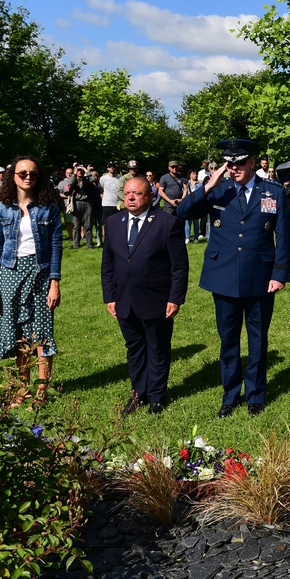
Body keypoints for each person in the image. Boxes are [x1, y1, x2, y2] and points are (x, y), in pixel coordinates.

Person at [176, 137, 290, 418]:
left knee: (257, 340)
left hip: (260, 276)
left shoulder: (272, 192)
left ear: (252, 163)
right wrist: (208, 186)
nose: (234, 168)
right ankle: (229, 395)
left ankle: (255, 395)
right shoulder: (218, 190)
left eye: (240, 163)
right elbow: (182, 212)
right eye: (230, 163)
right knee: (228, 341)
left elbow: (284, 237)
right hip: (224, 276)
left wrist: (279, 274)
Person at [102, 176, 188, 416]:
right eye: (128, 193)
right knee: (135, 349)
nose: (130, 197)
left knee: (158, 348)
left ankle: (157, 397)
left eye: (137, 193)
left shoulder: (167, 223)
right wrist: (110, 296)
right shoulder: (114, 222)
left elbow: (179, 266)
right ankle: (138, 393)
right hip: (124, 300)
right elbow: (107, 264)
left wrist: (175, 298)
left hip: (157, 299)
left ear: (150, 197)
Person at [0, 154, 63, 405]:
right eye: (22, 173)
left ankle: (42, 389)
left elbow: (55, 246)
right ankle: (22, 389)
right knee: (19, 334)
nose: (28, 177)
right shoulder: (2, 208)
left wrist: (54, 283)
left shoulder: (48, 207)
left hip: (40, 272)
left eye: (32, 173)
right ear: (13, 177)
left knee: (42, 332)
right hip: (10, 273)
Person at [184, 170, 202, 243]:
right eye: (194, 174)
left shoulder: (199, 184)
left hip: (196, 205)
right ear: (190, 175)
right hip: (188, 204)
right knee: (187, 222)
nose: (195, 175)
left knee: (196, 222)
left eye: (196, 174)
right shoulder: (186, 184)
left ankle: (196, 238)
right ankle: (187, 238)